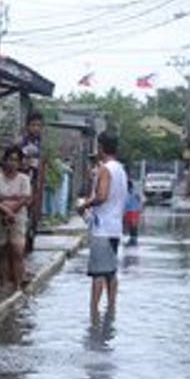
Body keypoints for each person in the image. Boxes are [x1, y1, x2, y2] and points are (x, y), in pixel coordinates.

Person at [76, 132, 129, 319]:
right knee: (111, 272)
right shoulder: (121, 170)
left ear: (100, 147)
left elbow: (102, 196)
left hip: (102, 228)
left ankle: (94, 312)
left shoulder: (105, 170)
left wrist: (84, 205)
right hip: (115, 228)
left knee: (98, 273)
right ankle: (111, 309)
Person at [0, 146, 33, 291]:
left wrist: (11, 212)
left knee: (17, 249)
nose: (12, 163)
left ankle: (18, 284)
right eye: (10, 159)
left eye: (16, 160)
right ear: (4, 161)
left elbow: (25, 198)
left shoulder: (23, 179)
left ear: (20, 163)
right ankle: (4, 283)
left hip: (18, 218)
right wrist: (6, 211)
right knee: (1, 251)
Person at [19, 111, 47, 239]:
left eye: (39, 126)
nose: (36, 128)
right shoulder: (21, 143)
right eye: (33, 125)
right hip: (21, 185)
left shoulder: (39, 144)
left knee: (31, 218)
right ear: (27, 126)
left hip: (34, 185)